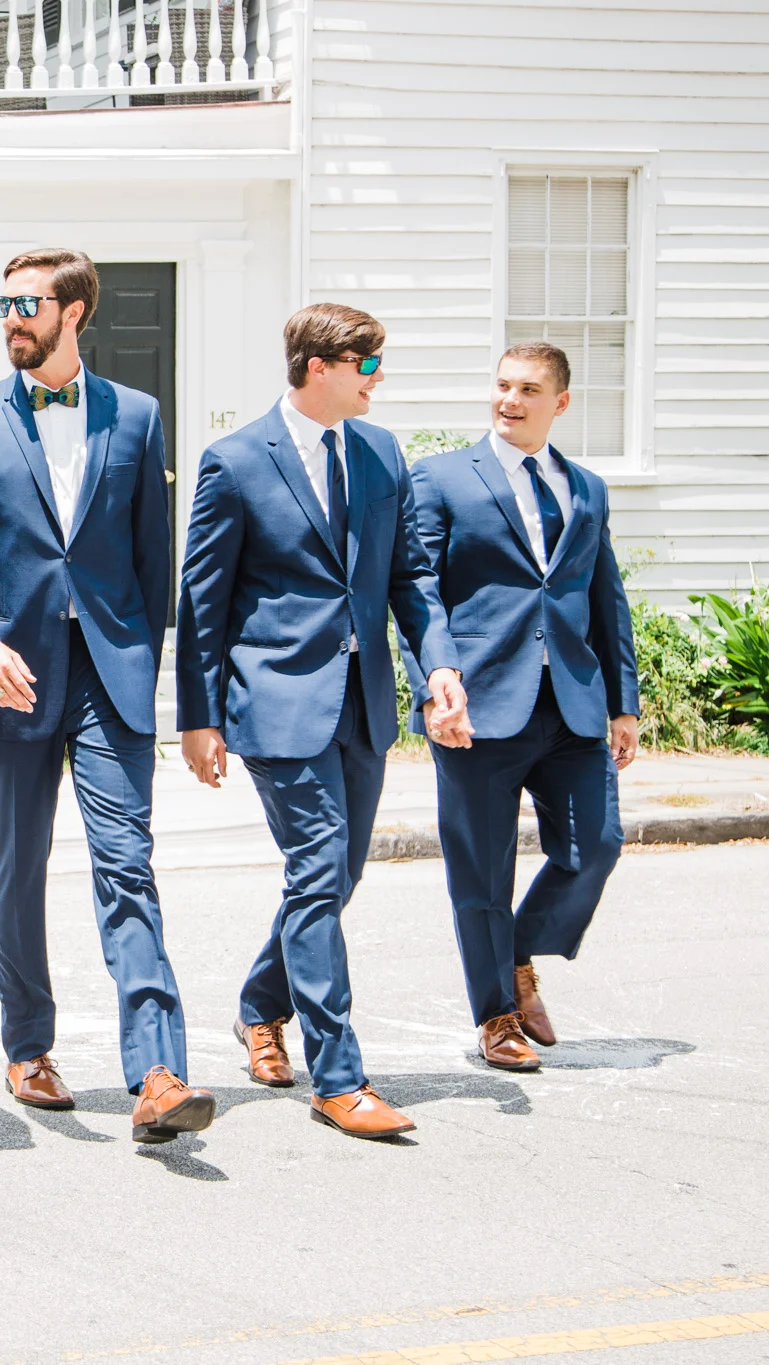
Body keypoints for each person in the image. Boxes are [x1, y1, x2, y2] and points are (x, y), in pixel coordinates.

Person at [0, 248, 214, 1147]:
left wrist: (150, 667)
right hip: (13, 671)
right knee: (21, 861)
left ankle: (158, 1071)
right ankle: (29, 1046)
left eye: (27, 303)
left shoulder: (138, 415)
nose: (11, 318)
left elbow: (156, 559)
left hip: (111, 674)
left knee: (127, 860)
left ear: (74, 311)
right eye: (2, 303)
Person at [176, 302, 470, 1141]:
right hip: (276, 702)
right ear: (318, 367)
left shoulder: (380, 452)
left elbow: (411, 575)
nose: (377, 378)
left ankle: (259, 1006)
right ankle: (338, 1077)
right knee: (317, 869)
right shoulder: (235, 461)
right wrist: (198, 717)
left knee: (338, 875)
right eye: (366, 364)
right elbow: (203, 600)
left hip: (363, 700)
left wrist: (439, 667)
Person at [405, 342, 639, 1070]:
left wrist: (624, 702)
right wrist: (434, 683)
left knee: (596, 846)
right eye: (503, 385)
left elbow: (606, 597)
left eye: (529, 389)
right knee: (481, 873)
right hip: (476, 706)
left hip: (572, 703)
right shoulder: (442, 478)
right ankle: (497, 1015)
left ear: (560, 402)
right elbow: (419, 592)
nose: (510, 400)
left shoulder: (586, 488)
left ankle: (514, 952)